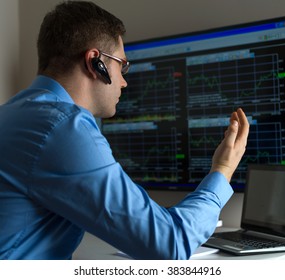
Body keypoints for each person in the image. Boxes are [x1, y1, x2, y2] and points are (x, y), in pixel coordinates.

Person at [0, 1, 249, 260]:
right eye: (122, 65)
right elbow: (169, 245)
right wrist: (223, 170)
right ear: (95, 63)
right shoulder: (63, 128)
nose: (124, 81)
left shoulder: (9, 114)